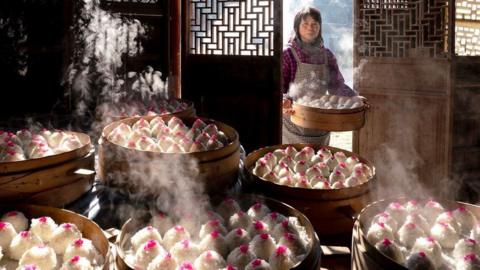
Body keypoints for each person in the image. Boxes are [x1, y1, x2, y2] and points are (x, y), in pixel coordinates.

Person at [282, 6, 358, 145]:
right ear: (297, 27)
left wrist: (355, 98)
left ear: (320, 27)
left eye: (314, 24)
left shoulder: (327, 55)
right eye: (305, 24)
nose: (310, 28)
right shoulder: (288, 54)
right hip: (294, 123)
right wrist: (283, 100)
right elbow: (279, 88)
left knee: (320, 163)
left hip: (320, 122)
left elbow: (336, 85)